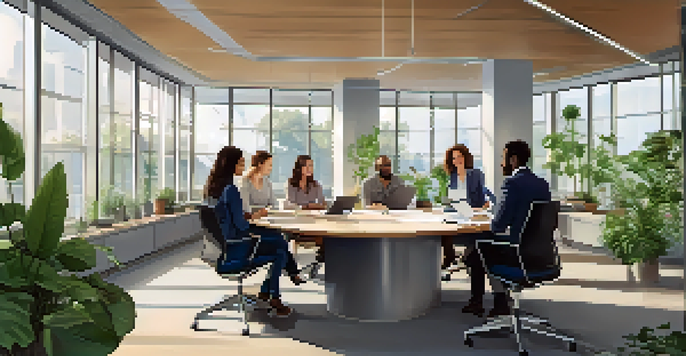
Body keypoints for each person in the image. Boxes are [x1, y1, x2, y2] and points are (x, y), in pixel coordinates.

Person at [205, 146, 305, 317]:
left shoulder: (213, 190)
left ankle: (270, 293)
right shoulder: (232, 190)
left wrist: (244, 217)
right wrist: (251, 217)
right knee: (280, 247)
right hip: (237, 249)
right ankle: (274, 294)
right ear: (231, 165)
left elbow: (229, 219)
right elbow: (242, 226)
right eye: (241, 163)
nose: (244, 167)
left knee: (279, 242)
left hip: (222, 248)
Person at [461, 140, 552, 318]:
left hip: (519, 254)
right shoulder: (542, 184)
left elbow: (498, 225)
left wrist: (492, 216)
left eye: (503, 158)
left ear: (514, 160)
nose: (502, 163)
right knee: (482, 248)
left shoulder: (512, 183)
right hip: (541, 254)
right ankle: (498, 300)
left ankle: (488, 302)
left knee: (475, 250)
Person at [441, 144, 497, 272]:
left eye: (460, 156)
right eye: (454, 158)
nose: (457, 160)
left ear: (466, 157)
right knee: (444, 227)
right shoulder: (452, 177)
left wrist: (481, 207)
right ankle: (450, 256)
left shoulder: (476, 174)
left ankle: (467, 257)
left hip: (473, 212)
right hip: (457, 211)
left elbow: (481, 196)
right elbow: (453, 198)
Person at [286, 154, 327, 262]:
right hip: (297, 223)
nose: (310, 168)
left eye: (311, 165)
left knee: (329, 236)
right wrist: (306, 206)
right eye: (307, 166)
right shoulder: (291, 184)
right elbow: (290, 205)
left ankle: (322, 257)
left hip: (315, 222)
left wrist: (318, 206)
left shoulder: (316, 185)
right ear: (299, 168)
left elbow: (323, 204)